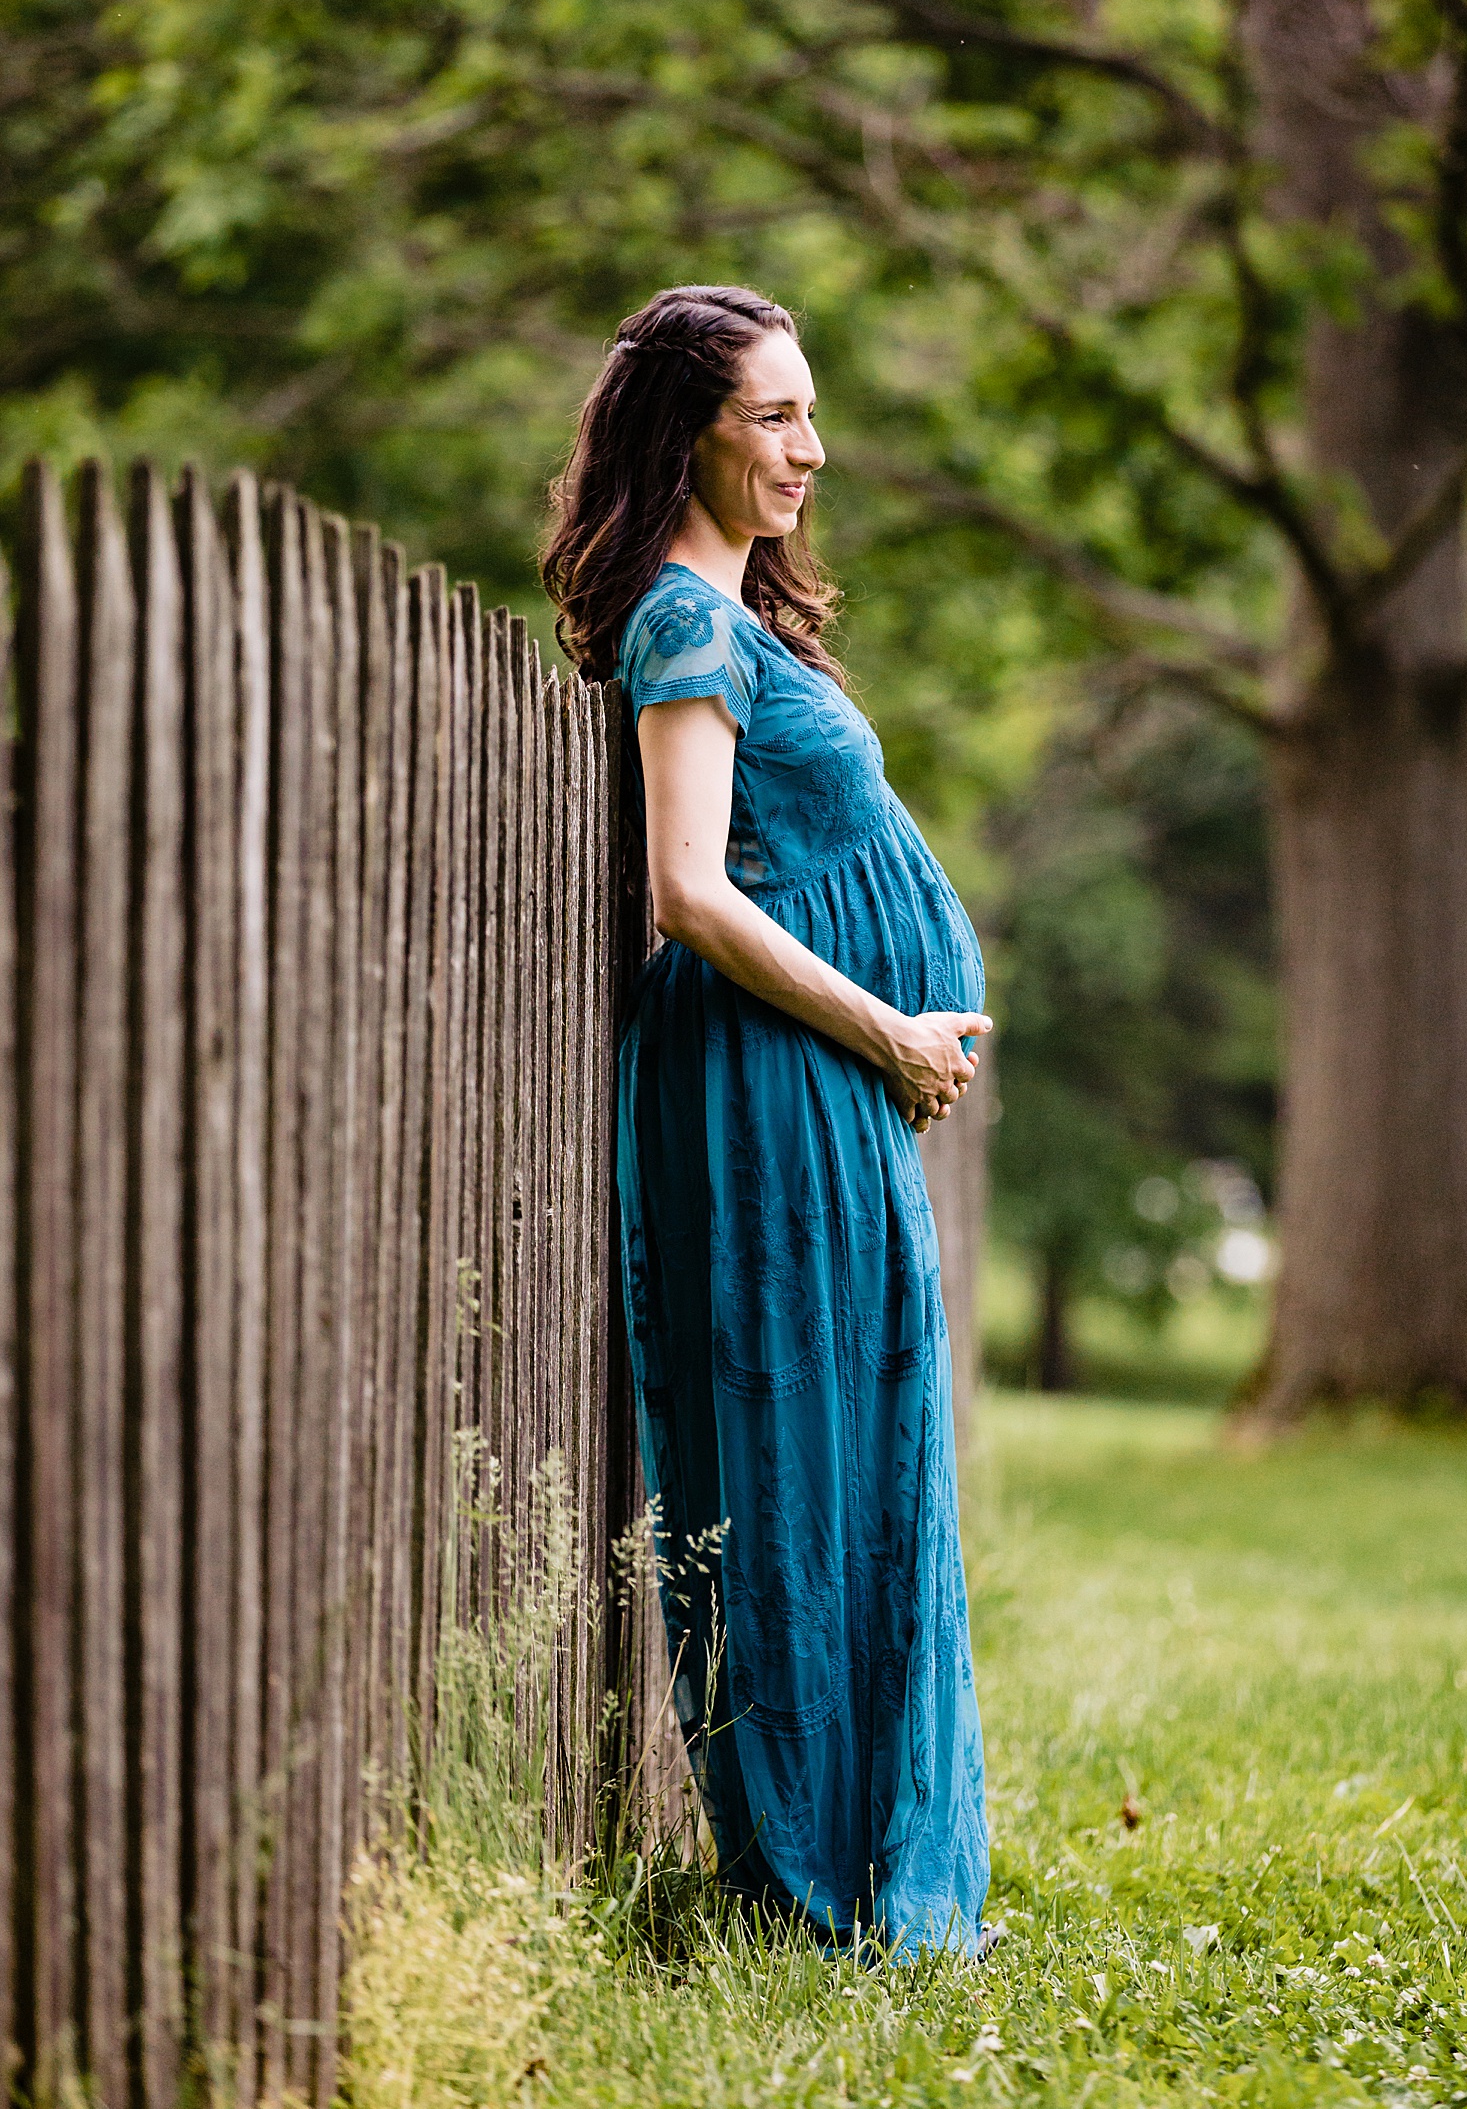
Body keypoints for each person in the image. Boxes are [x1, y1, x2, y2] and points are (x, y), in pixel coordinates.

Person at [545, 285, 993, 1957]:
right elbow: (685, 892)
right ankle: (815, 1878)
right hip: (773, 1092)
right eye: (774, 416)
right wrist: (887, 1027)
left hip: (825, 1093)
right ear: (690, 430)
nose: (810, 449)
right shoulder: (681, 623)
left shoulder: (737, 614)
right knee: (801, 1463)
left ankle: (868, 1857)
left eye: (811, 412)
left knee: (860, 1454)